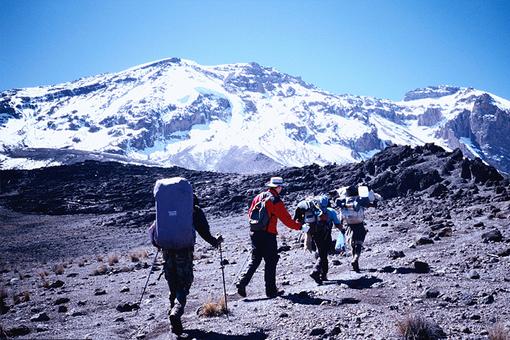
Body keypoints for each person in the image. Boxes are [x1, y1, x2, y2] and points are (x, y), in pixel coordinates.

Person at [149, 194, 223, 336]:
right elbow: (204, 232)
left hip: (167, 252)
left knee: (173, 285)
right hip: (184, 252)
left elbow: (154, 231)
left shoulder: (165, 209)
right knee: (183, 285)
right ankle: (176, 312)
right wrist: (215, 241)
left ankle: (175, 326)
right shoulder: (193, 210)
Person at [236, 176, 305, 298]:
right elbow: (286, 220)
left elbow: (250, 213)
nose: (282, 189)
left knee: (255, 259)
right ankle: (271, 291)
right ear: (277, 187)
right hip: (268, 235)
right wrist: (300, 227)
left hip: (255, 232)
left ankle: (242, 282)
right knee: (271, 261)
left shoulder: (258, 197)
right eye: (281, 187)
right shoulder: (275, 200)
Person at [294, 195, 343, 285]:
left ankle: (323, 275)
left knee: (321, 253)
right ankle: (316, 272)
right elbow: (337, 224)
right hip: (324, 234)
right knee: (323, 254)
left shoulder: (312, 210)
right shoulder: (330, 211)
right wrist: (343, 231)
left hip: (311, 234)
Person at [335, 185, 381, 272]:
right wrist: (374, 199)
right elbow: (373, 204)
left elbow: (340, 212)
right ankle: (356, 258)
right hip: (359, 223)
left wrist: (340, 224)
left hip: (349, 224)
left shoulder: (344, 200)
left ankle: (354, 263)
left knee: (352, 244)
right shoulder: (360, 199)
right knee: (359, 242)